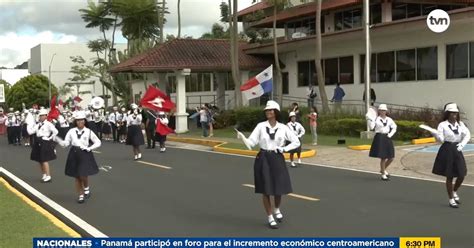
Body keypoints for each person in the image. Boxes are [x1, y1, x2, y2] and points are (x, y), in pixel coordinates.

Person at [237, 100, 300, 229]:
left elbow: (296, 142)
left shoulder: (283, 127)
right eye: (267, 110)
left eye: (271, 110)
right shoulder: (260, 126)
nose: (268, 112)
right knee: (266, 189)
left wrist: (283, 149)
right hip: (263, 157)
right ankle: (270, 216)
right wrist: (243, 137)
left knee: (279, 188)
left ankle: (277, 209)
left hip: (277, 158)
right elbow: (251, 144)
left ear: (276, 112)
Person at [431, 103, 470, 208]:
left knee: (461, 174)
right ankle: (451, 199)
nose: (454, 115)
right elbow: (441, 140)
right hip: (447, 149)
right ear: (447, 114)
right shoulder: (442, 125)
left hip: (457, 149)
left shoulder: (460, 124)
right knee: (450, 175)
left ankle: (454, 191)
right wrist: (436, 134)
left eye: (456, 113)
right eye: (452, 113)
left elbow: (467, 135)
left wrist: (462, 144)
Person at [60, 111, 101, 204]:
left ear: (84, 121)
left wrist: (90, 148)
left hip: (85, 153)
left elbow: (98, 142)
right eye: (78, 120)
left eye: (82, 120)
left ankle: (86, 188)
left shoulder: (89, 131)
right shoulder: (71, 131)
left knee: (83, 174)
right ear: (76, 121)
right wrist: (63, 143)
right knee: (77, 176)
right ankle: (81, 195)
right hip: (74, 153)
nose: (80, 122)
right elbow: (67, 142)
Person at [366, 104, 397, 181]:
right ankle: (383, 174)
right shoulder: (376, 119)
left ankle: (382, 169)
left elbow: (394, 127)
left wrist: (390, 135)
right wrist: (369, 119)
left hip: (387, 137)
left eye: (384, 110)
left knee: (391, 157)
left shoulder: (389, 119)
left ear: (386, 111)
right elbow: (372, 127)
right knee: (383, 157)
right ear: (379, 111)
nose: (383, 112)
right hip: (379, 137)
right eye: (381, 110)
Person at [28, 108, 59, 183]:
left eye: (42, 115)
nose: (41, 117)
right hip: (38, 141)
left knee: (44, 159)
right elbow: (30, 132)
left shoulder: (48, 124)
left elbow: (56, 131)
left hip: (45, 141)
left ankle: (48, 176)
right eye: (40, 115)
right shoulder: (38, 124)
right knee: (39, 159)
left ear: (46, 116)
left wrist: (50, 138)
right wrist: (28, 125)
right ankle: (44, 174)